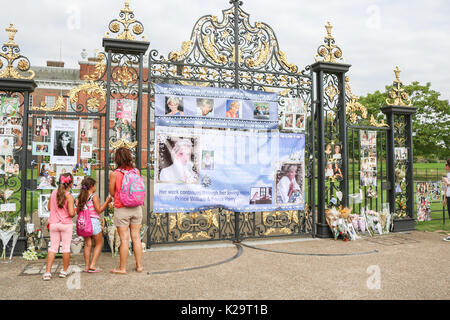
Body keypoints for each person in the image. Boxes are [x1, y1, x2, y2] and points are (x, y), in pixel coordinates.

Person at [109, 147, 144, 274]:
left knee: (124, 239)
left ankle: (122, 268)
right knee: (136, 238)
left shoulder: (115, 174)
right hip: (136, 208)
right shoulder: (136, 172)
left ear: (116, 159)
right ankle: (139, 266)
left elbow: (112, 193)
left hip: (122, 208)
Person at [42, 173, 75, 281]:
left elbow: (49, 208)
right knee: (65, 248)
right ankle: (64, 271)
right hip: (66, 224)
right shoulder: (69, 196)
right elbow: (71, 213)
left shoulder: (53, 193)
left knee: (53, 248)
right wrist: (75, 209)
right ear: (70, 184)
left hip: (54, 224)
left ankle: (47, 272)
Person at [77, 177, 112, 273]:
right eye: (95, 185)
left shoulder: (81, 197)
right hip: (93, 222)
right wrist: (107, 202)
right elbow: (99, 210)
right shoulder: (94, 197)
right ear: (92, 186)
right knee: (99, 243)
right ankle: (93, 265)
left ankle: (87, 266)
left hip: (85, 223)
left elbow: (78, 211)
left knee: (87, 245)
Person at [443, 160, 450, 241]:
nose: (445, 166)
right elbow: (446, 187)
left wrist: (447, 181)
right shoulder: (448, 174)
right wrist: (444, 198)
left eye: (446, 164)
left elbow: (448, 183)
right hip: (449, 197)